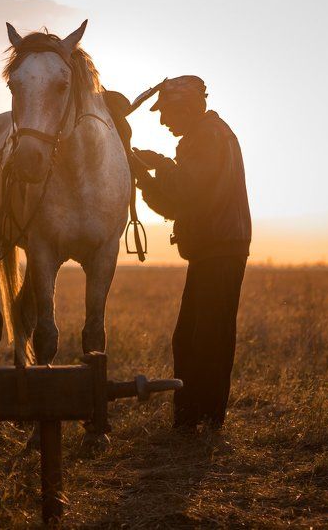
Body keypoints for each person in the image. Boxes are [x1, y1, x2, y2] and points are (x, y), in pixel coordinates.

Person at [130, 75, 251, 431]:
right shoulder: (209, 134)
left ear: (185, 107)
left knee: (203, 337)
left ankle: (197, 422)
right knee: (199, 336)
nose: (164, 121)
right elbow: (180, 202)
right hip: (216, 246)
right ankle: (198, 419)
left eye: (166, 112)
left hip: (218, 247)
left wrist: (158, 167)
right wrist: (148, 176)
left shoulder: (204, 137)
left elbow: (185, 192)